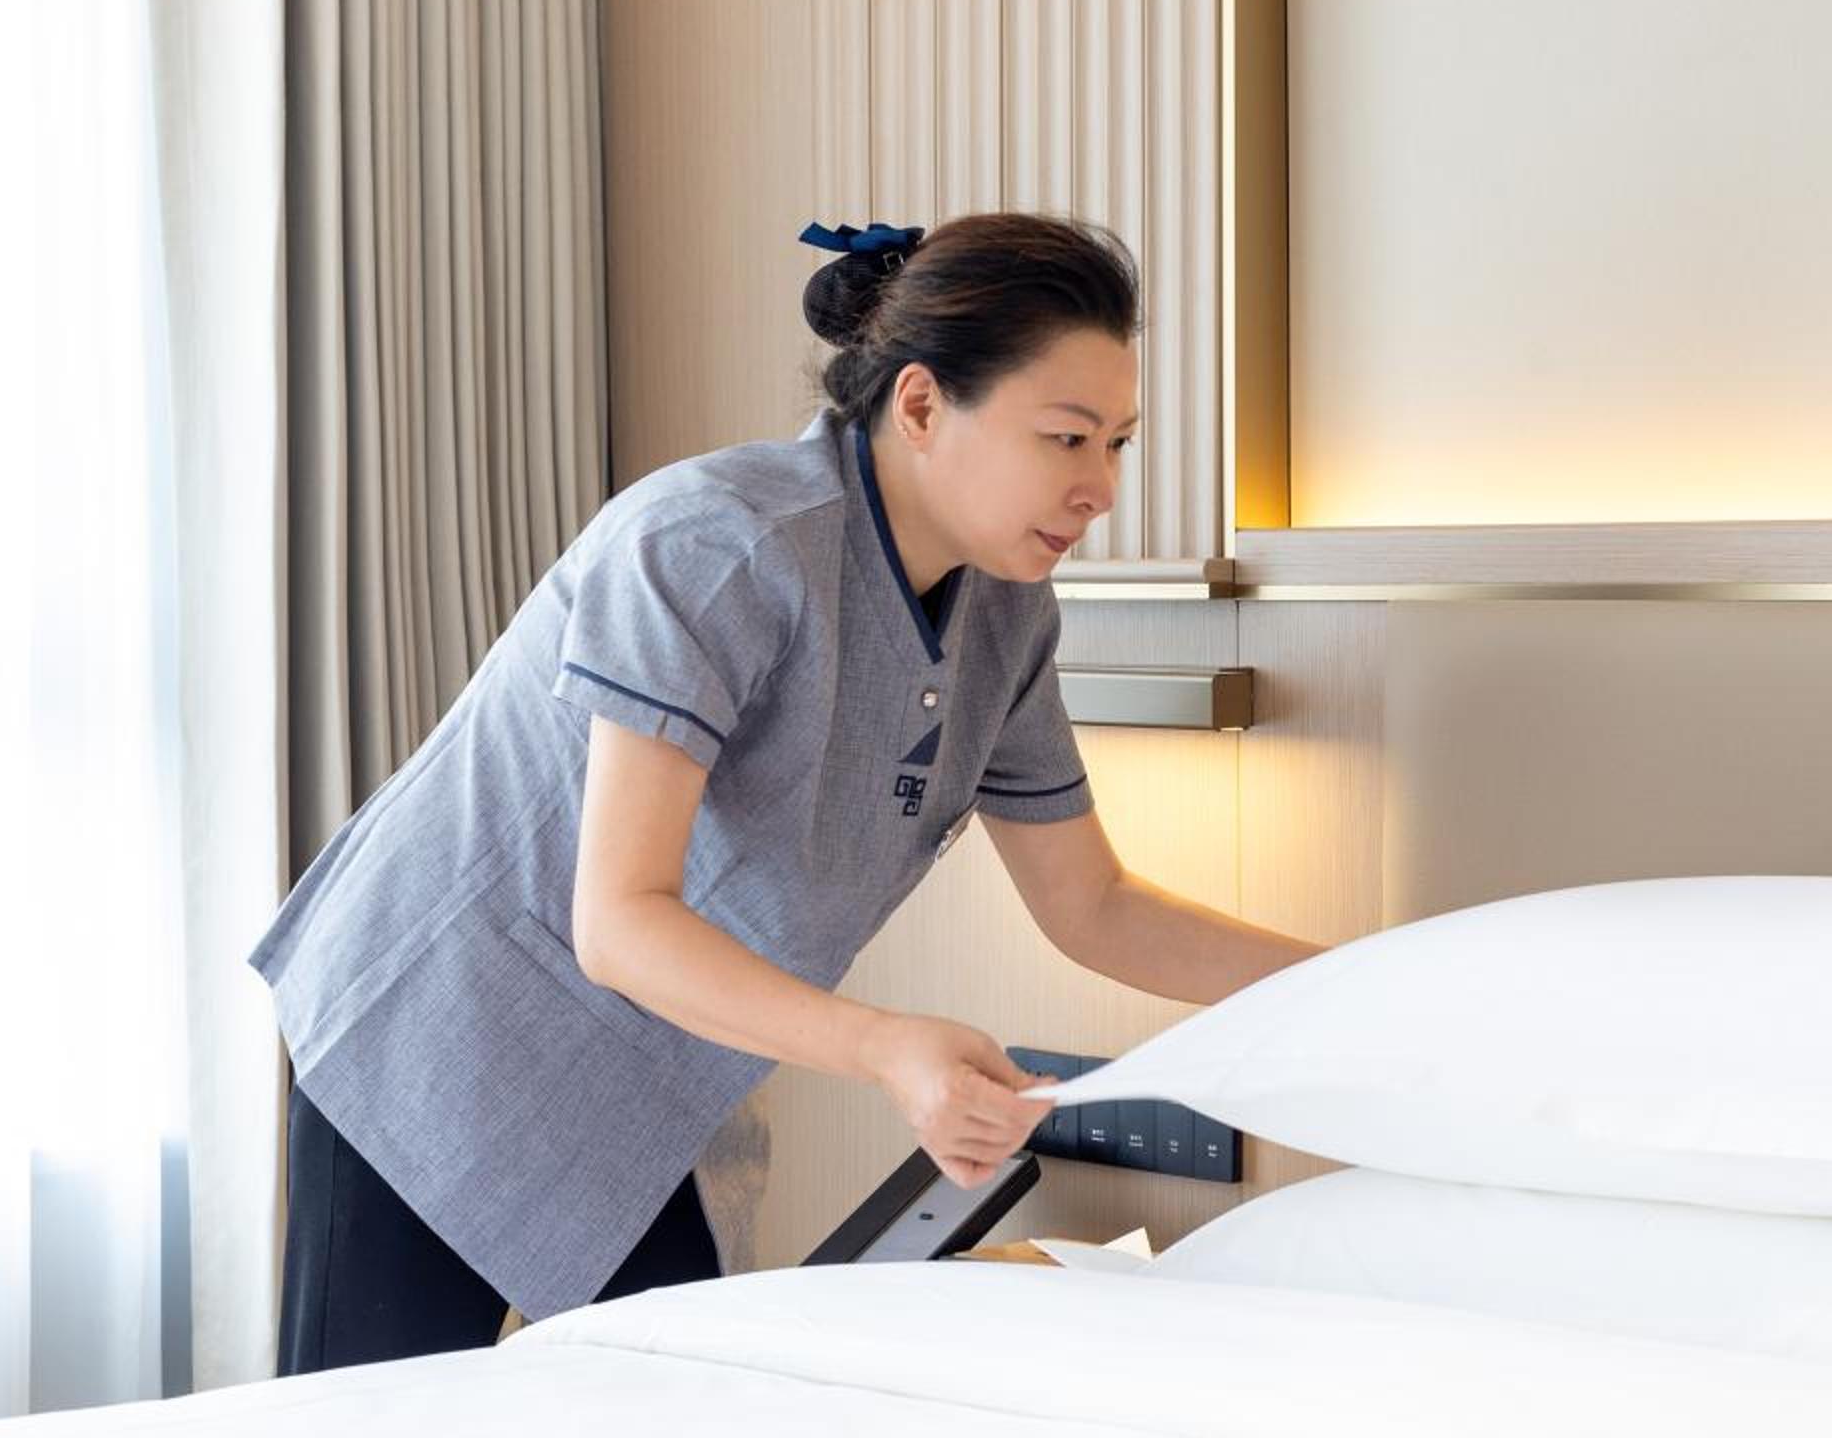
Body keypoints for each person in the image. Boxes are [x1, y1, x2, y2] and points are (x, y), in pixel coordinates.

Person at [250, 211, 1324, 1375]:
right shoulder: (720, 545)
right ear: (922, 405)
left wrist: (1365, 982)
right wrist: (889, 1047)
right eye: (1066, 438)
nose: (1100, 486)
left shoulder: (1008, 615)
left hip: (649, 1082)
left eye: (1117, 442)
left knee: (675, 1418)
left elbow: (1095, 906)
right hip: (434, 1033)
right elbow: (618, 920)